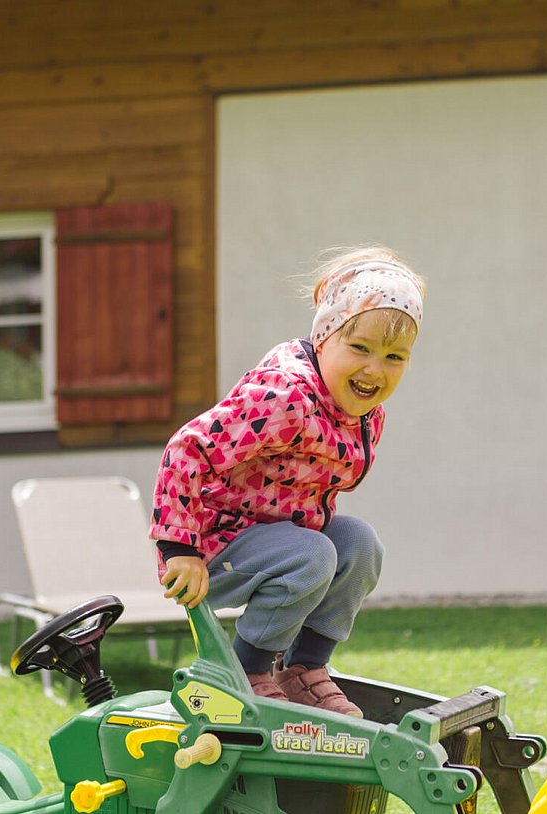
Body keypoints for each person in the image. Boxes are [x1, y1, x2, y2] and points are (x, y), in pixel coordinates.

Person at [149, 246, 425, 717]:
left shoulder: (365, 414)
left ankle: (304, 670)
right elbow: (187, 449)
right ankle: (247, 671)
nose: (375, 369)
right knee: (313, 554)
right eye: (359, 348)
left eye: (394, 356)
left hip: (283, 542)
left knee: (360, 545)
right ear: (324, 337)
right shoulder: (283, 398)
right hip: (214, 545)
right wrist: (180, 550)